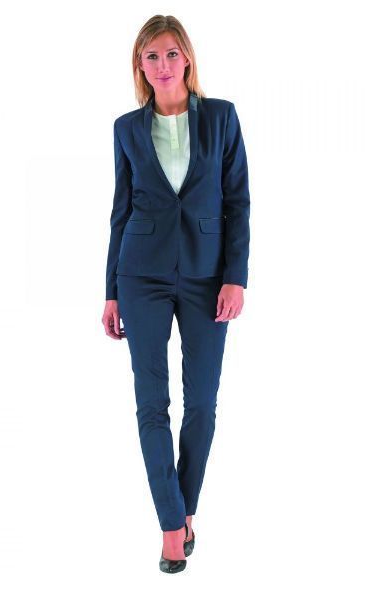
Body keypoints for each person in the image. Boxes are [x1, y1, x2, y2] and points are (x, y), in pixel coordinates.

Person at [101, 14, 250, 574]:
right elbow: (120, 211)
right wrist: (111, 291)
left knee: (202, 403)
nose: (162, 65)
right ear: (140, 66)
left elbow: (238, 201)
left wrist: (236, 275)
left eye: (170, 53)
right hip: (140, 275)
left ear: (186, 57)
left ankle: (185, 507)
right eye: (151, 56)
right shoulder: (126, 128)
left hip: (209, 277)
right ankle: (172, 526)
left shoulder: (221, 117)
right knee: (151, 403)